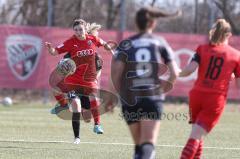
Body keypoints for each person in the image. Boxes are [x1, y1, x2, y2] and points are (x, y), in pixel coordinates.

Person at [107, 7, 180, 159]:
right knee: (147, 145)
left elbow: (115, 73)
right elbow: (174, 72)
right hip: (151, 97)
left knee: (139, 147)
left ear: (136, 23)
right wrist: (162, 90)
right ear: (153, 23)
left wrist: (112, 97)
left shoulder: (126, 44)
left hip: (130, 99)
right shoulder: (159, 42)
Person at [179, 19, 240, 159]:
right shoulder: (236, 55)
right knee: (195, 137)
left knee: (197, 134)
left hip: (196, 96)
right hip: (214, 100)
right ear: (229, 35)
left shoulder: (202, 48)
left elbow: (189, 70)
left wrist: (176, 73)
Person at [45, 19, 112, 142]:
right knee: (73, 103)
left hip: (89, 80)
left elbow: (102, 43)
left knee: (88, 113)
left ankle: (97, 125)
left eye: (80, 29)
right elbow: (56, 52)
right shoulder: (71, 42)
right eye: (75, 30)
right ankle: (76, 137)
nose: (78, 32)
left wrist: (108, 47)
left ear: (85, 29)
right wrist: (51, 50)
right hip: (74, 81)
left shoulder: (92, 40)